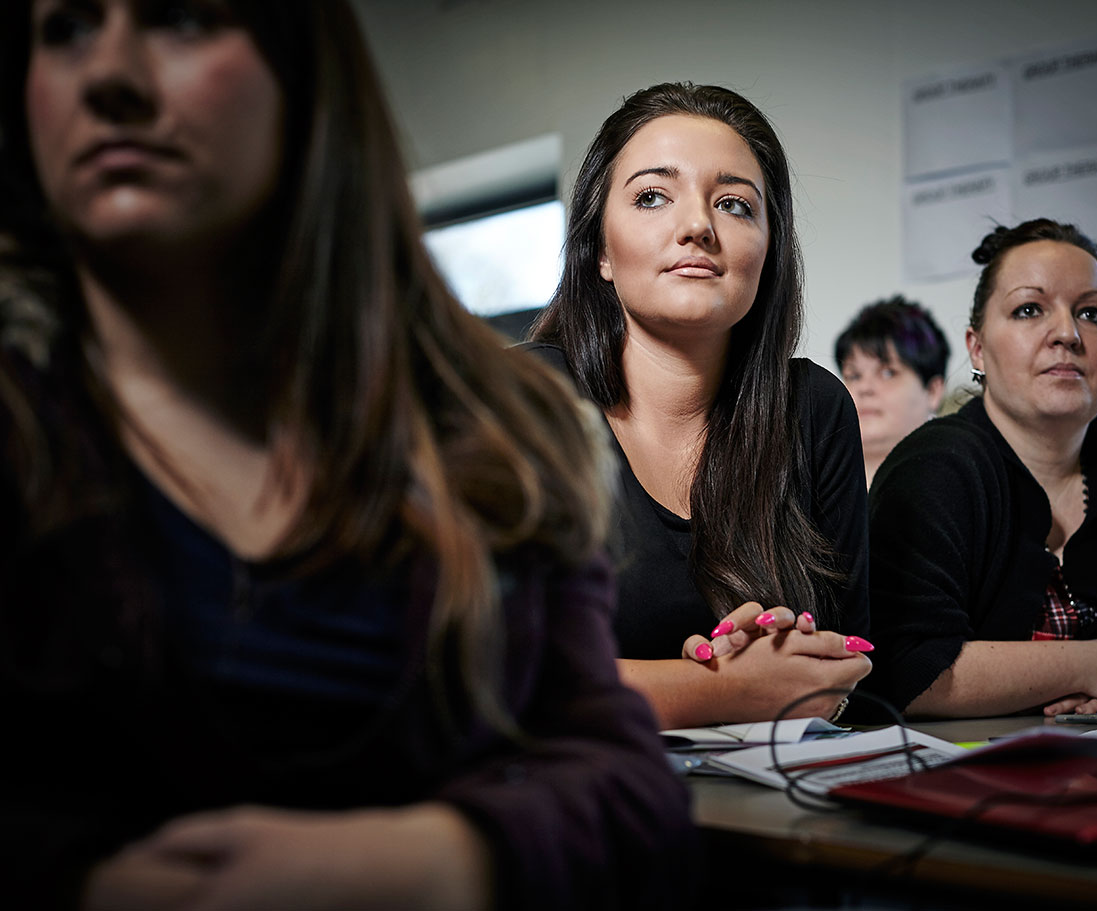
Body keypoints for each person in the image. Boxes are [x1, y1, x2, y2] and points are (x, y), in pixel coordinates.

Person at [0, 2, 692, 908]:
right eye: (66, 29)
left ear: (304, 76)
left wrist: (446, 858)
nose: (110, 74)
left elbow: (624, 784)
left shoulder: (499, 444)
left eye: (181, 18)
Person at [528, 83, 873, 729]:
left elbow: (852, 663)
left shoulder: (814, 409)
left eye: (736, 204)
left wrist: (788, 659)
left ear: (768, 251)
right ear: (600, 250)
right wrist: (719, 688)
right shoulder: (522, 399)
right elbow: (474, 674)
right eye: (653, 196)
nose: (697, 226)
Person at [866, 219, 1097, 718]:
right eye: (1029, 309)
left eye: (1092, 313)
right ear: (977, 347)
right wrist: (1088, 665)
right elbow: (902, 669)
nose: (1067, 333)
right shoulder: (933, 470)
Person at [835, 295, 949, 487]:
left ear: (932, 392)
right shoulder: (812, 483)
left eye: (888, 373)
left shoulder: (957, 479)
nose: (864, 388)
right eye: (854, 376)